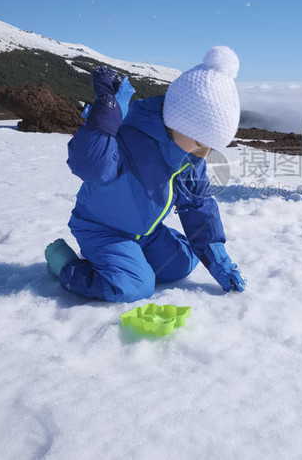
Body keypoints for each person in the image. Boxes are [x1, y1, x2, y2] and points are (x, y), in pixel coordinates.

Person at [44, 46, 246, 303]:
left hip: (144, 232)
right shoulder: (129, 136)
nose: (204, 153)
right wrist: (103, 121)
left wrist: (217, 258)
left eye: (211, 147)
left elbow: (197, 204)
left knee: (183, 262)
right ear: (177, 120)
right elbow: (89, 164)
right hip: (103, 230)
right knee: (136, 286)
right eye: (199, 141)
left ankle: (133, 256)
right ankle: (65, 265)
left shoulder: (190, 158)